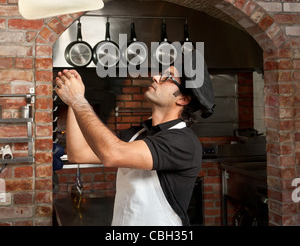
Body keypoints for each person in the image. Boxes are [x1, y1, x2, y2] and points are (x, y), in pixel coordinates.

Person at [54, 56, 215, 226]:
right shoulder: (136, 133)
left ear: (182, 99)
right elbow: (78, 154)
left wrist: (79, 100)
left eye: (167, 77)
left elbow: (112, 154)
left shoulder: (183, 141)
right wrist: (72, 100)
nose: (155, 77)